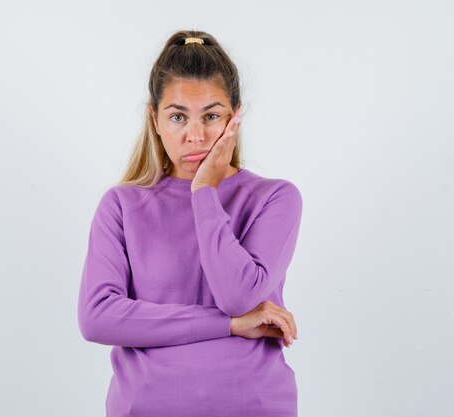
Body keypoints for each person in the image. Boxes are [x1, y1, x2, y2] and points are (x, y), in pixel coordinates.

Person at [77, 29, 303, 417]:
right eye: (178, 116)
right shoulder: (122, 205)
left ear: (235, 118)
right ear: (155, 119)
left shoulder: (275, 199)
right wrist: (230, 325)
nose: (195, 136)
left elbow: (239, 296)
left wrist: (204, 193)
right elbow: (97, 317)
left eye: (212, 116)